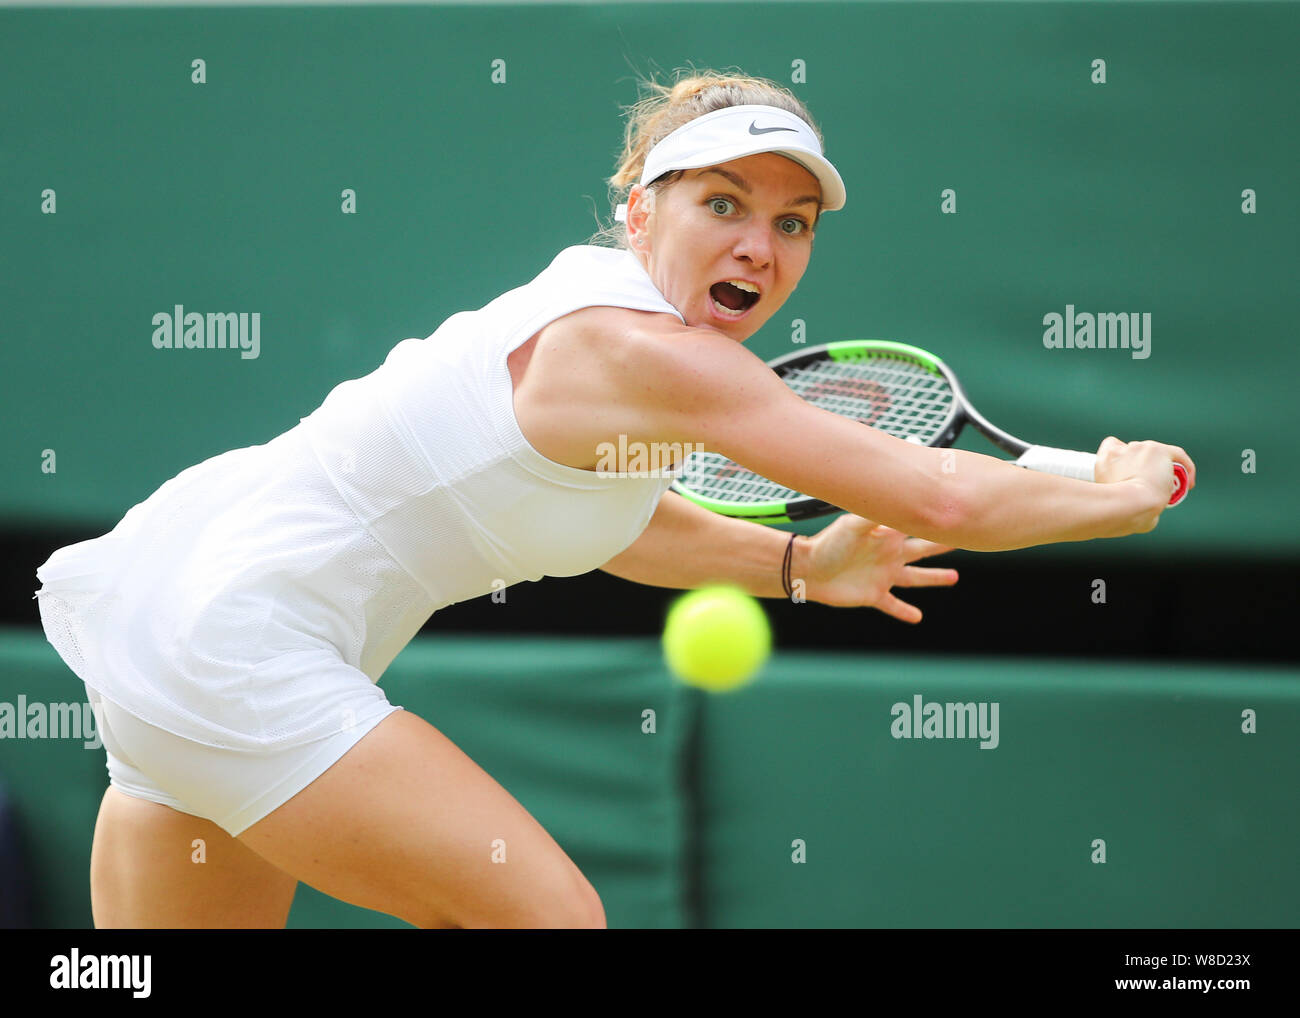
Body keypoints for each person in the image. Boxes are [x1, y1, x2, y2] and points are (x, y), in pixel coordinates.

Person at [33, 70, 1194, 930]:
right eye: (723, 203)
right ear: (639, 207)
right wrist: (1117, 497)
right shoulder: (651, 355)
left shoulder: (582, 327)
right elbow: (951, 491)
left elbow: (620, 523)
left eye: (791, 223)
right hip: (242, 648)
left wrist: (796, 568)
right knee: (553, 922)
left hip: (169, 626)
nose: (760, 244)